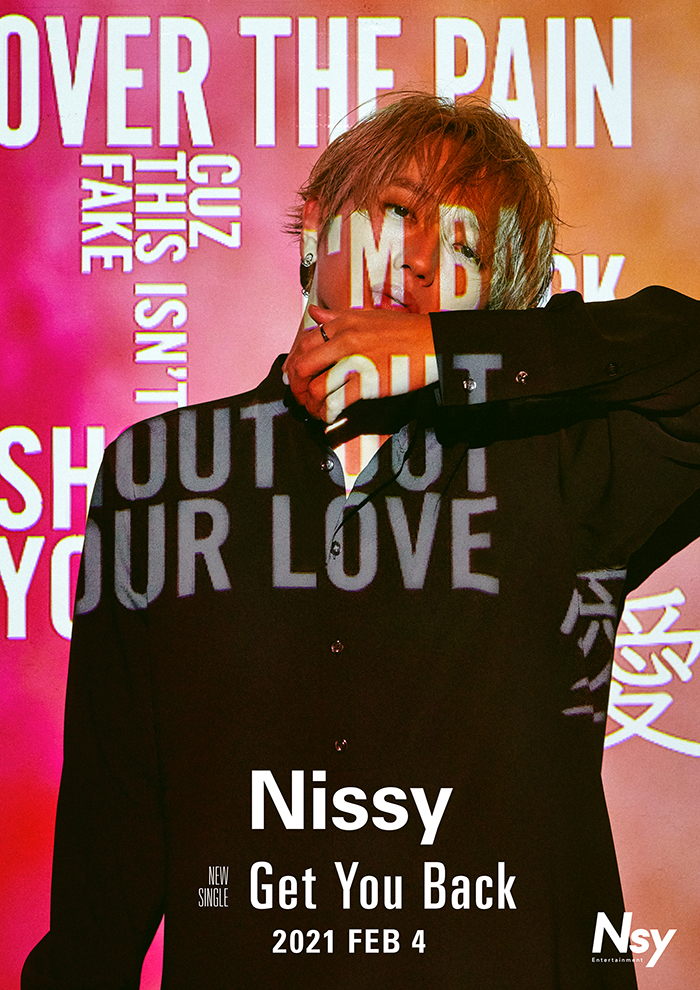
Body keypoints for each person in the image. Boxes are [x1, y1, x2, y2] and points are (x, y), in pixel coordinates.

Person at [23, 94, 700, 989]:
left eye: (464, 248)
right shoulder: (167, 473)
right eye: (396, 212)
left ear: (491, 306)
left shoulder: (565, 466)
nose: (416, 258)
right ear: (316, 227)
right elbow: (112, 827)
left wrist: (455, 355)